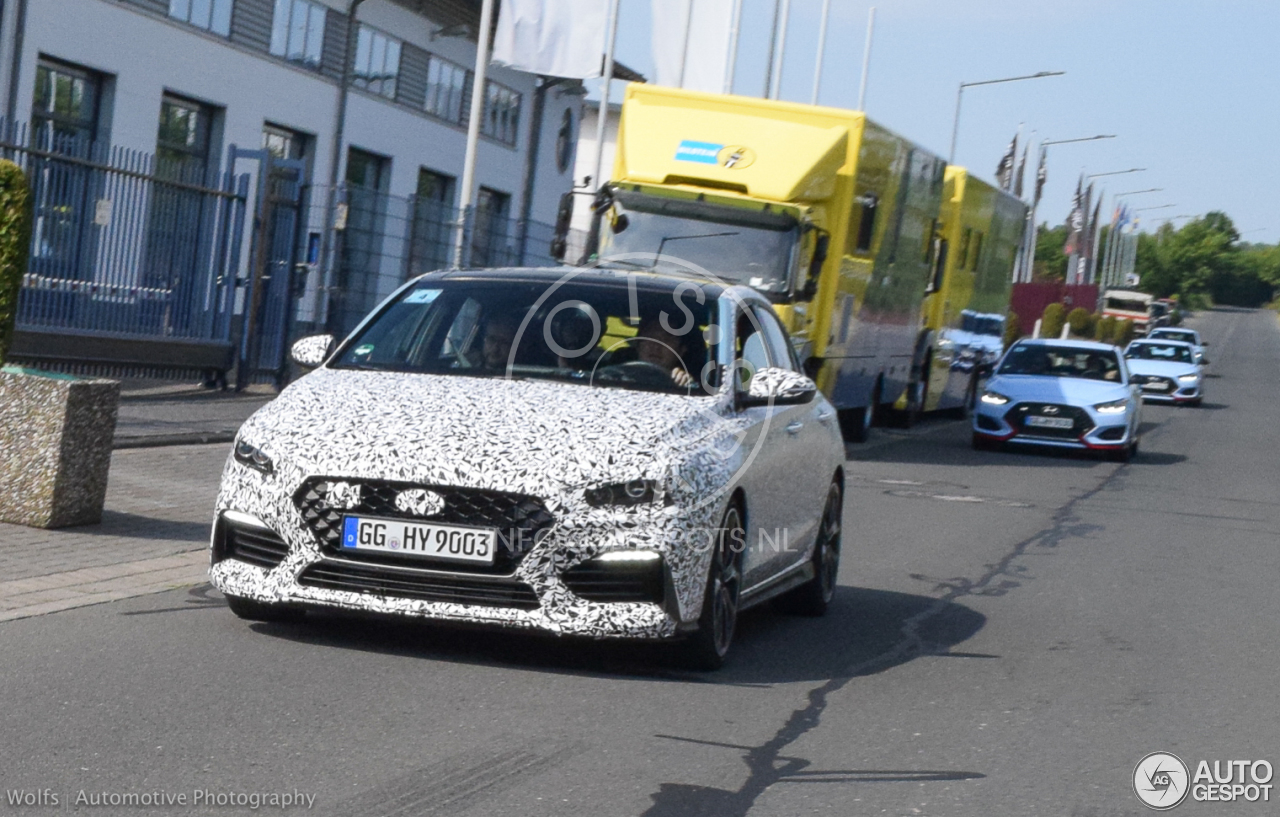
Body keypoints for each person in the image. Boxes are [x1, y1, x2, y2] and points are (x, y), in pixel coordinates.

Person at [632, 315, 696, 387]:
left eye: (666, 340)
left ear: (681, 350)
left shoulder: (684, 385)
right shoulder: (619, 377)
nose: (656, 346)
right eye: (650, 337)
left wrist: (686, 384)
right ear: (637, 344)